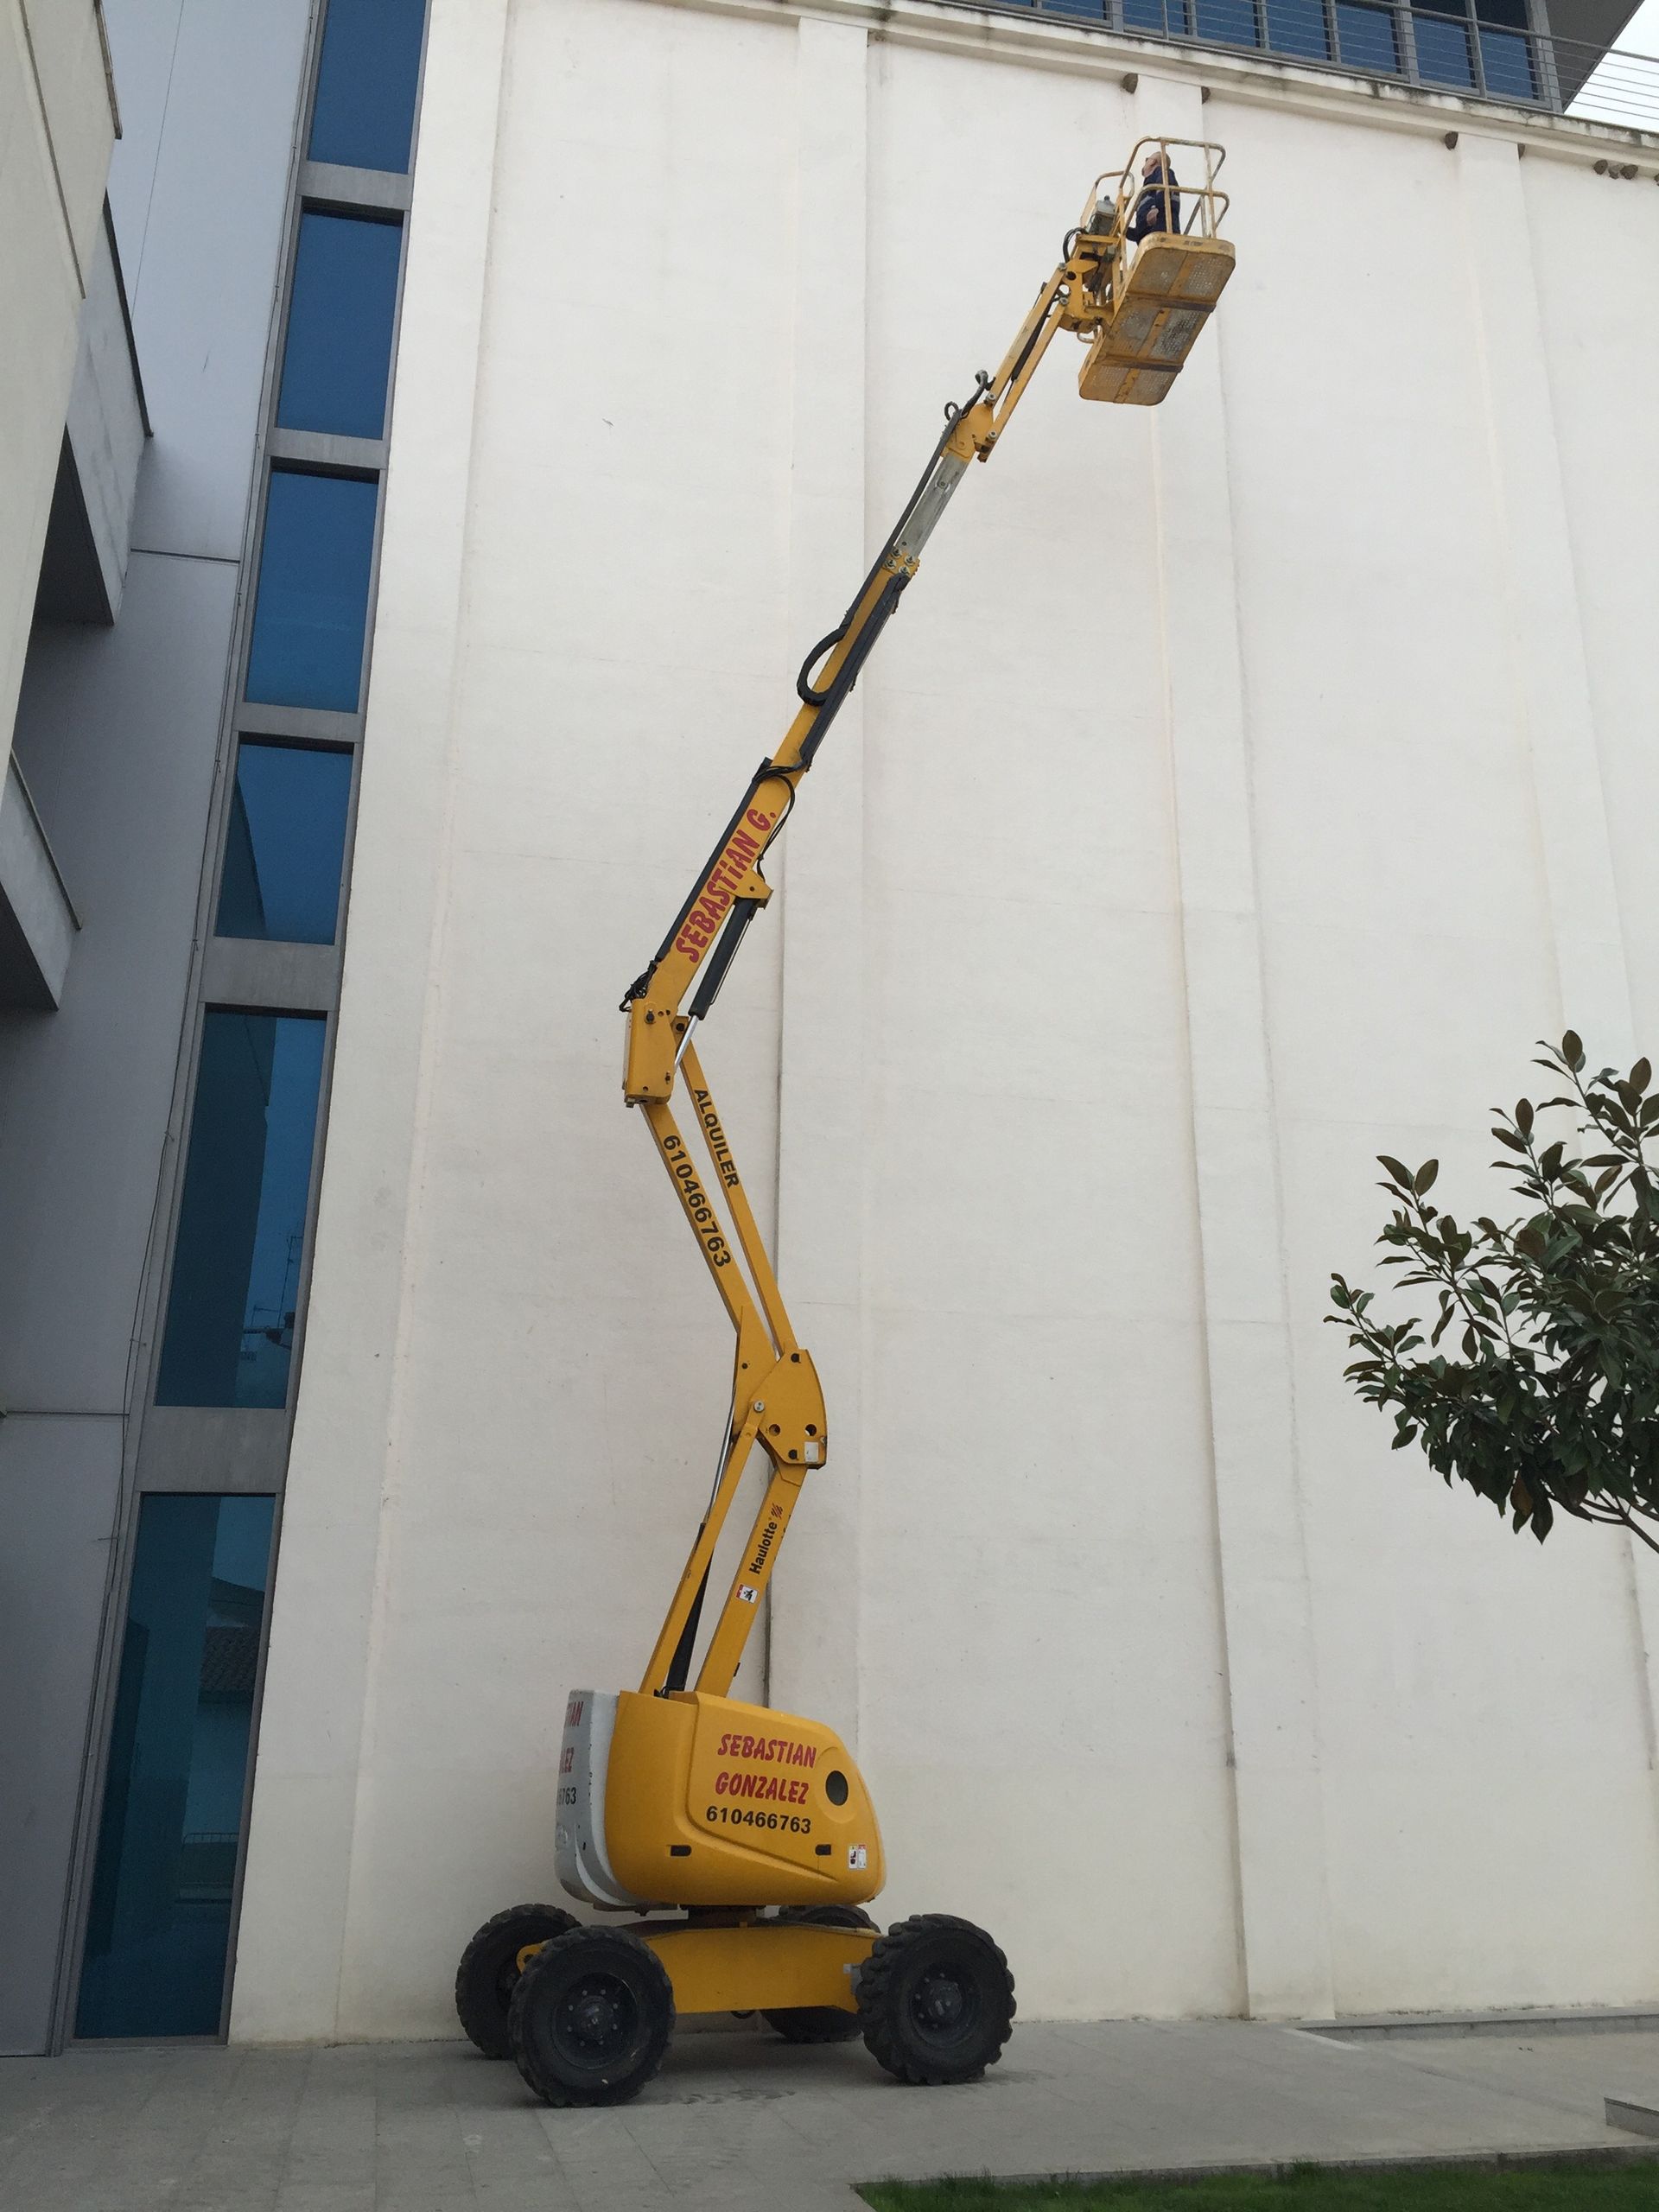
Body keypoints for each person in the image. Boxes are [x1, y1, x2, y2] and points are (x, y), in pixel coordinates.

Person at [1126, 151, 1180, 243]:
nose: (1145, 163)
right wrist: (1123, 230)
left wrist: (1156, 209)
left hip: (1163, 233)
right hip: (1149, 241)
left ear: (1153, 162)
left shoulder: (1162, 172)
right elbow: (1140, 232)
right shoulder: (1146, 191)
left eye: (1147, 160)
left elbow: (1165, 188)